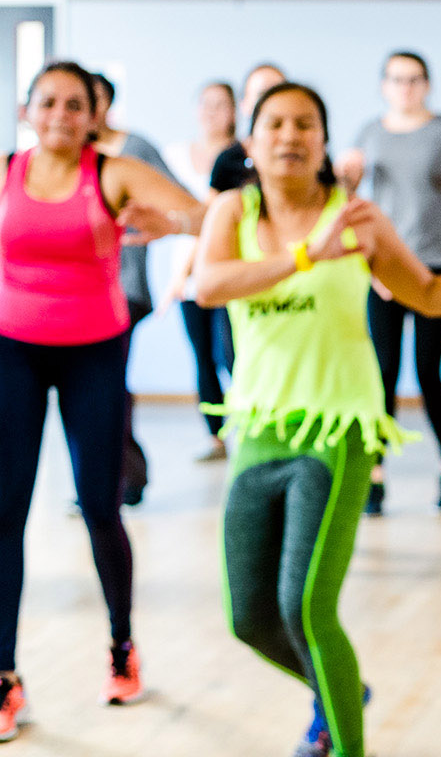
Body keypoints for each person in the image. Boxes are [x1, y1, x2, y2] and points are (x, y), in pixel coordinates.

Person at [193, 81, 441, 757]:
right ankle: (340, 689)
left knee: (306, 607)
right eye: (275, 123)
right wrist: (308, 255)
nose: (290, 136)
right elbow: (208, 285)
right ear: (251, 142)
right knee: (249, 618)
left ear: (325, 141)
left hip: (339, 432)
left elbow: (429, 291)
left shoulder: (356, 218)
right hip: (259, 432)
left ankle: (347, 742)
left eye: (305, 124)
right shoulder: (230, 211)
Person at [0, 62, 205, 742]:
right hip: (12, 352)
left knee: (99, 508)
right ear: (28, 110)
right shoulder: (7, 172)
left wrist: (171, 222)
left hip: (94, 353)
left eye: (74, 104)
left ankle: (122, 648)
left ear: (95, 115)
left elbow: (207, 214)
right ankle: (3, 675)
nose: (60, 114)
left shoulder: (113, 174)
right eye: (48, 101)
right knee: (5, 513)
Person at [337, 51, 441, 513]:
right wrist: (348, 177)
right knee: (383, 373)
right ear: (384, 85)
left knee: (428, 372)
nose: (405, 87)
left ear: (427, 84)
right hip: (385, 269)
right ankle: (375, 475)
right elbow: (345, 201)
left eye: (413, 79)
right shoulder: (370, 134)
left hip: (436, 266)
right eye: (397, 79)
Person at [90, 72, 181, 506]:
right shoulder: (69, 157)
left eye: (87, 101)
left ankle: (121, 480)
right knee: (101, 384)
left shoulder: (135, 149)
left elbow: (178, 200)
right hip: (76, 294)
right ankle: (119, 478)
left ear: (106, 104)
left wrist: (157, 219)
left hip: (124, 289)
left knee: (105, 383)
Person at [162, 80, 239, 461]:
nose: (212, 112)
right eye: (206, 103)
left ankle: (252, 425)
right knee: (203, 357)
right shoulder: (175, 156)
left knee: (233, 355)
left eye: (221, 104)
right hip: (187, 277)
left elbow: (210, 219)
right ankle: (216, 437)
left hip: (227, 271)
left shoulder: (240, 157)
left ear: (234, 111)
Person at [210, 63, 286, 194]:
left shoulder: (306, 155)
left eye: (279, 94)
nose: (271, 103)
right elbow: (211, 204)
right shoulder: (228, 160)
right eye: (262, 95)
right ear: (244, 104)